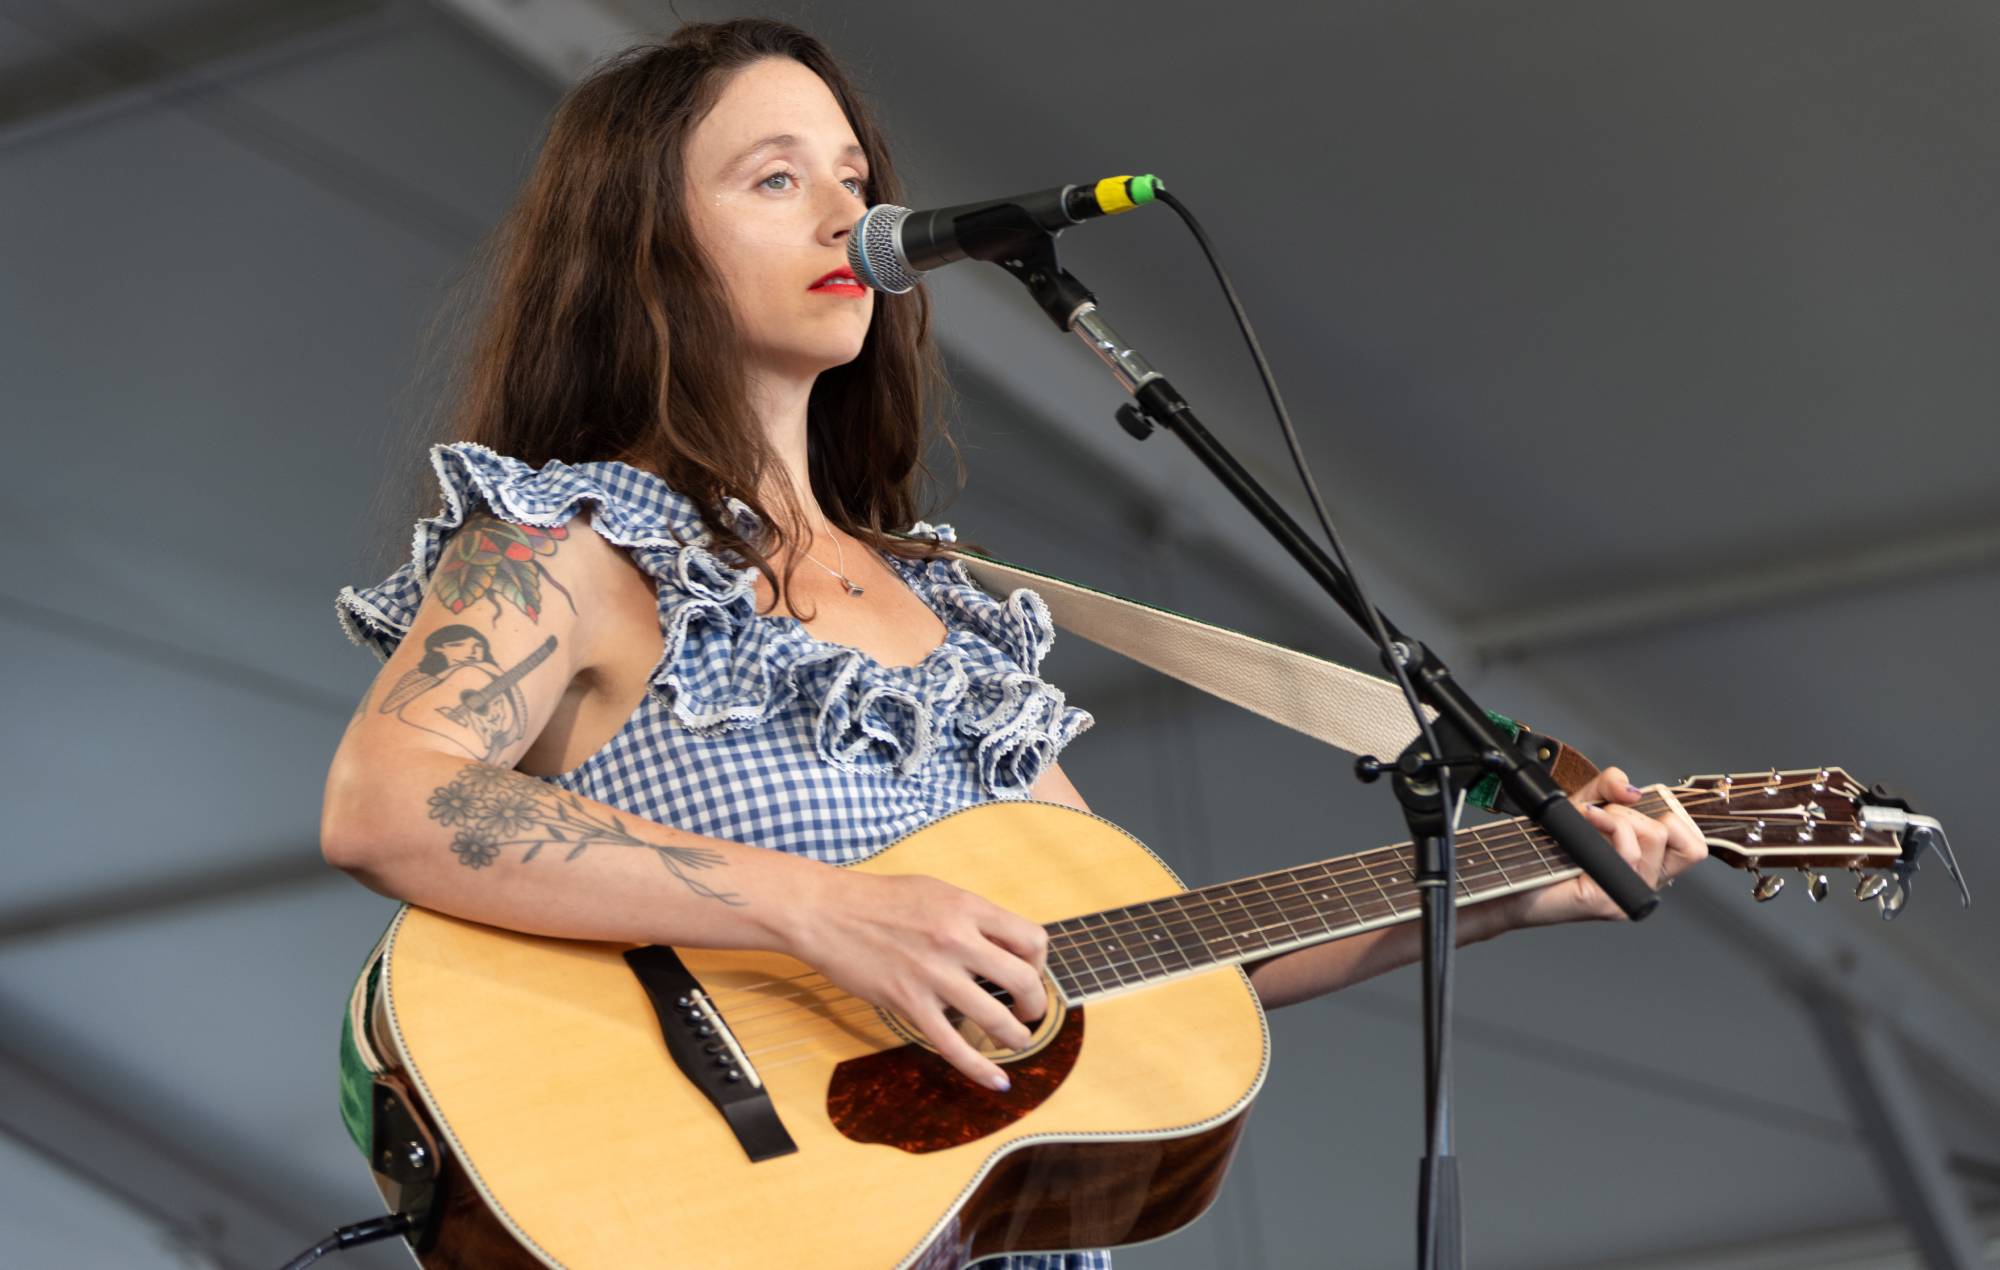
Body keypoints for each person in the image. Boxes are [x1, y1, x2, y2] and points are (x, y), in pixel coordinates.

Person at [320, 19, 1708, 1270]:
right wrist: (819, 909)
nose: (847, 213)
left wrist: (1501, 892)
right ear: (644, 245)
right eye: (774, 178)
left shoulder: (955, 615)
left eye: (855, 178)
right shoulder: (576, 542)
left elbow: (1127, 964)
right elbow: (388, 799)